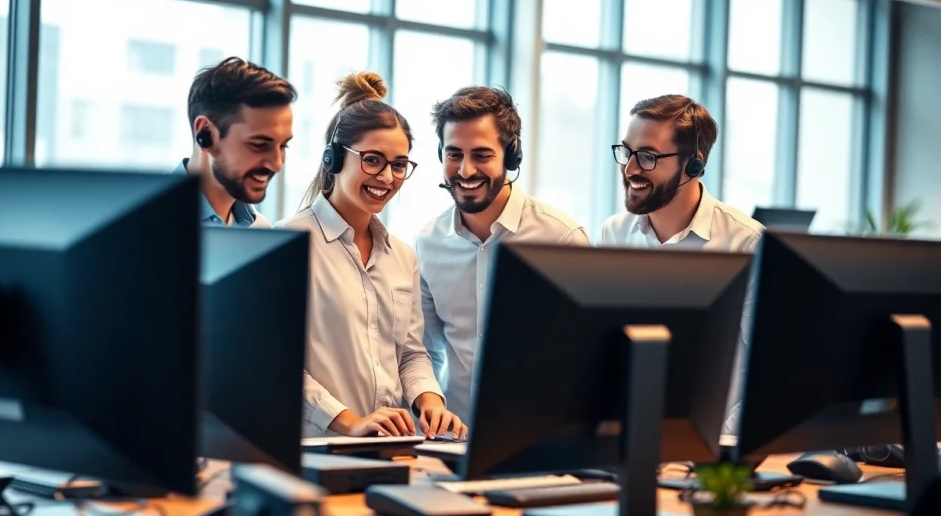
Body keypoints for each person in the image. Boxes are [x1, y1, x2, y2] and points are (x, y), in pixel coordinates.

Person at [277, 72, 466, 440]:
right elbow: (276, 364)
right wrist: (349, 421)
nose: (387, 177)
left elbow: (411, 355)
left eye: (399, 165)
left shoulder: (402, 256)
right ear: (333, 159)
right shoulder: (288, 243)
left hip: (393, 447)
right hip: (317, 449)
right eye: (373, 160)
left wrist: (431, 402)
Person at [415, 86, 589, 425]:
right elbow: (425, 351)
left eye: (481, 155)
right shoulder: (427, 243)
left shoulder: (563, 240)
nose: (465, 171)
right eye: (454, 154)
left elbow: (585, 359)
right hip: (452, 442)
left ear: (511, 157)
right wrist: (429, 406)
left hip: (538, 440)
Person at [597, 94, 764, 434]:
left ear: (693, 165)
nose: (629, 169)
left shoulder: (745, 244)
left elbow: (772, 371)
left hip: (712, 449)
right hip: (626, 439)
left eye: (646, 156)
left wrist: (718, 444)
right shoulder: (615, 233)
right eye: (626, 152)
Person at [174, 57, 296, 227]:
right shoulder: (145, 222)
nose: (277, 164)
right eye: (259, 145)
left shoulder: (260, 230)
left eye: (283, 145)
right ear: (206, 132)